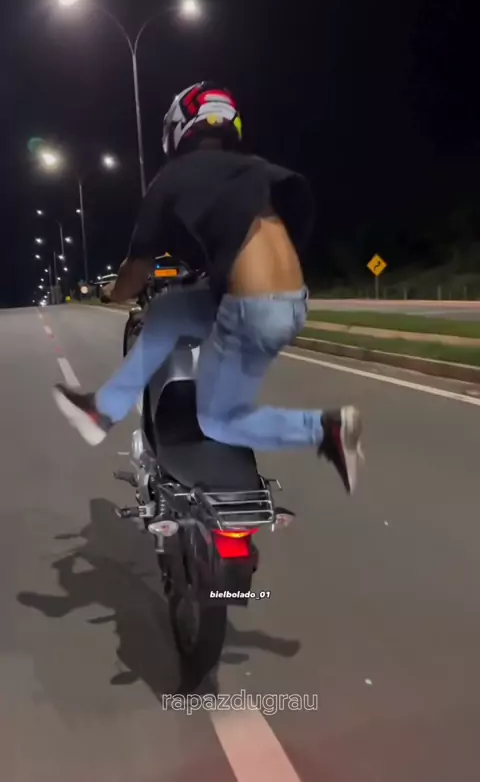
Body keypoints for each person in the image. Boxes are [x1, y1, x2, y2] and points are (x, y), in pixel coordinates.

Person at [53, 82, 363, 493]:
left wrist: (113, 292)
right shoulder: (254, 169)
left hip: (251, 309)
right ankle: (103, 410)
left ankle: (324, 429)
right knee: (169, 311)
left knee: (218, 420)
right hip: (291, 302)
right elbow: (285, 225)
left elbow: (137, 269)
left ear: (178, 128)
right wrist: (218, 275)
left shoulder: (173, 176)